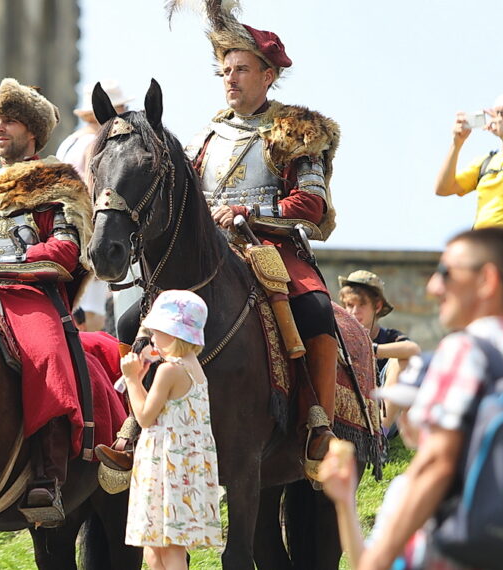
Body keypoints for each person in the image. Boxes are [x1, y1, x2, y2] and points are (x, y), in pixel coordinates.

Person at [0, 77, 125, 522]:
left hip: (26, 292)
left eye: (10, 121)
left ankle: (47, 474)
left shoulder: (57, 180)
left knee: (47, 354)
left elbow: (66, 252)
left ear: (31, 131)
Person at [183, 13, 342, 477]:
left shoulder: (295, 131)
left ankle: (317, 420)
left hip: (270, 248)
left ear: (268, 75)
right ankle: (129, 422)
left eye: (240, 69)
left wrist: (248, 213)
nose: (229, 79)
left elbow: (311, 204)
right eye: (225, 71)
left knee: (314, 309)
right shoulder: (204, 139)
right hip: (209, 253)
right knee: (136, 316)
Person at [355, 227, 503, 570]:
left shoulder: (466, 350)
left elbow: (435, 464)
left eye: (446, 273)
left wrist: (375, 560)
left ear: (487, 280)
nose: (433, 287)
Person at [121, 290, 222, 569]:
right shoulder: (193, 367)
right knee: (155, 548)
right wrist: (140, 382)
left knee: (168, 549)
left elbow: (143, 417)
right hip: (183, 465)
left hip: (167, 466)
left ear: (174, 333)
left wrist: (131, 380)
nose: (152, 339)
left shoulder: (169, 371)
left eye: (157, 332)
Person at [320, 353, 428, 569]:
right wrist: (345, 502)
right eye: (403, 407)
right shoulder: (401, 489)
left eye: (415, 407)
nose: (404, 418)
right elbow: (370, 565)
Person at [435, 92, 503, 329]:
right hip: (484, 258)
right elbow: (444, 188)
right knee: (479, 323)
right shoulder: (486, 161)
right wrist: (456, 144)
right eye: (495, 111)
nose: (498, 117)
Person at [337, 270, 421, 430]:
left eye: (361, 305)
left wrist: (370, 349)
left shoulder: (389, 336)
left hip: (382, 409)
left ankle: (381, 434)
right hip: (349, 408)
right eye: (349, 305)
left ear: (377, 306)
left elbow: (413, 349)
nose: (354, 312)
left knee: (402, 359)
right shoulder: (339, 337)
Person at [55, 79, 132, 179]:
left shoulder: (70, 140)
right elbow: (90, 185)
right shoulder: (95, 143)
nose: (126, 112)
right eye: (122, 107)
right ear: (107, 110)